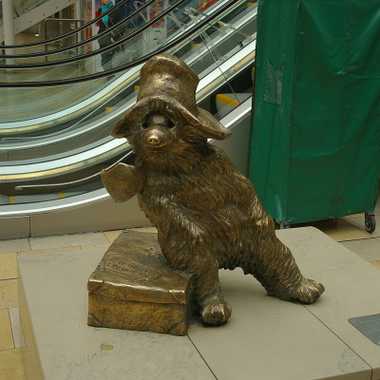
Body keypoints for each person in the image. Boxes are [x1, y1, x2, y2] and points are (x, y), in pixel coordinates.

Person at [96, 0, 115, 69]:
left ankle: (110, 72)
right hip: (102, 35)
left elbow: (114, 21)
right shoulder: (101, 9)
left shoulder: (113, 8)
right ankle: (107, 71)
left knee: (109, 55)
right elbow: (99, 23)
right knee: (104, 56)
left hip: (110, 35)